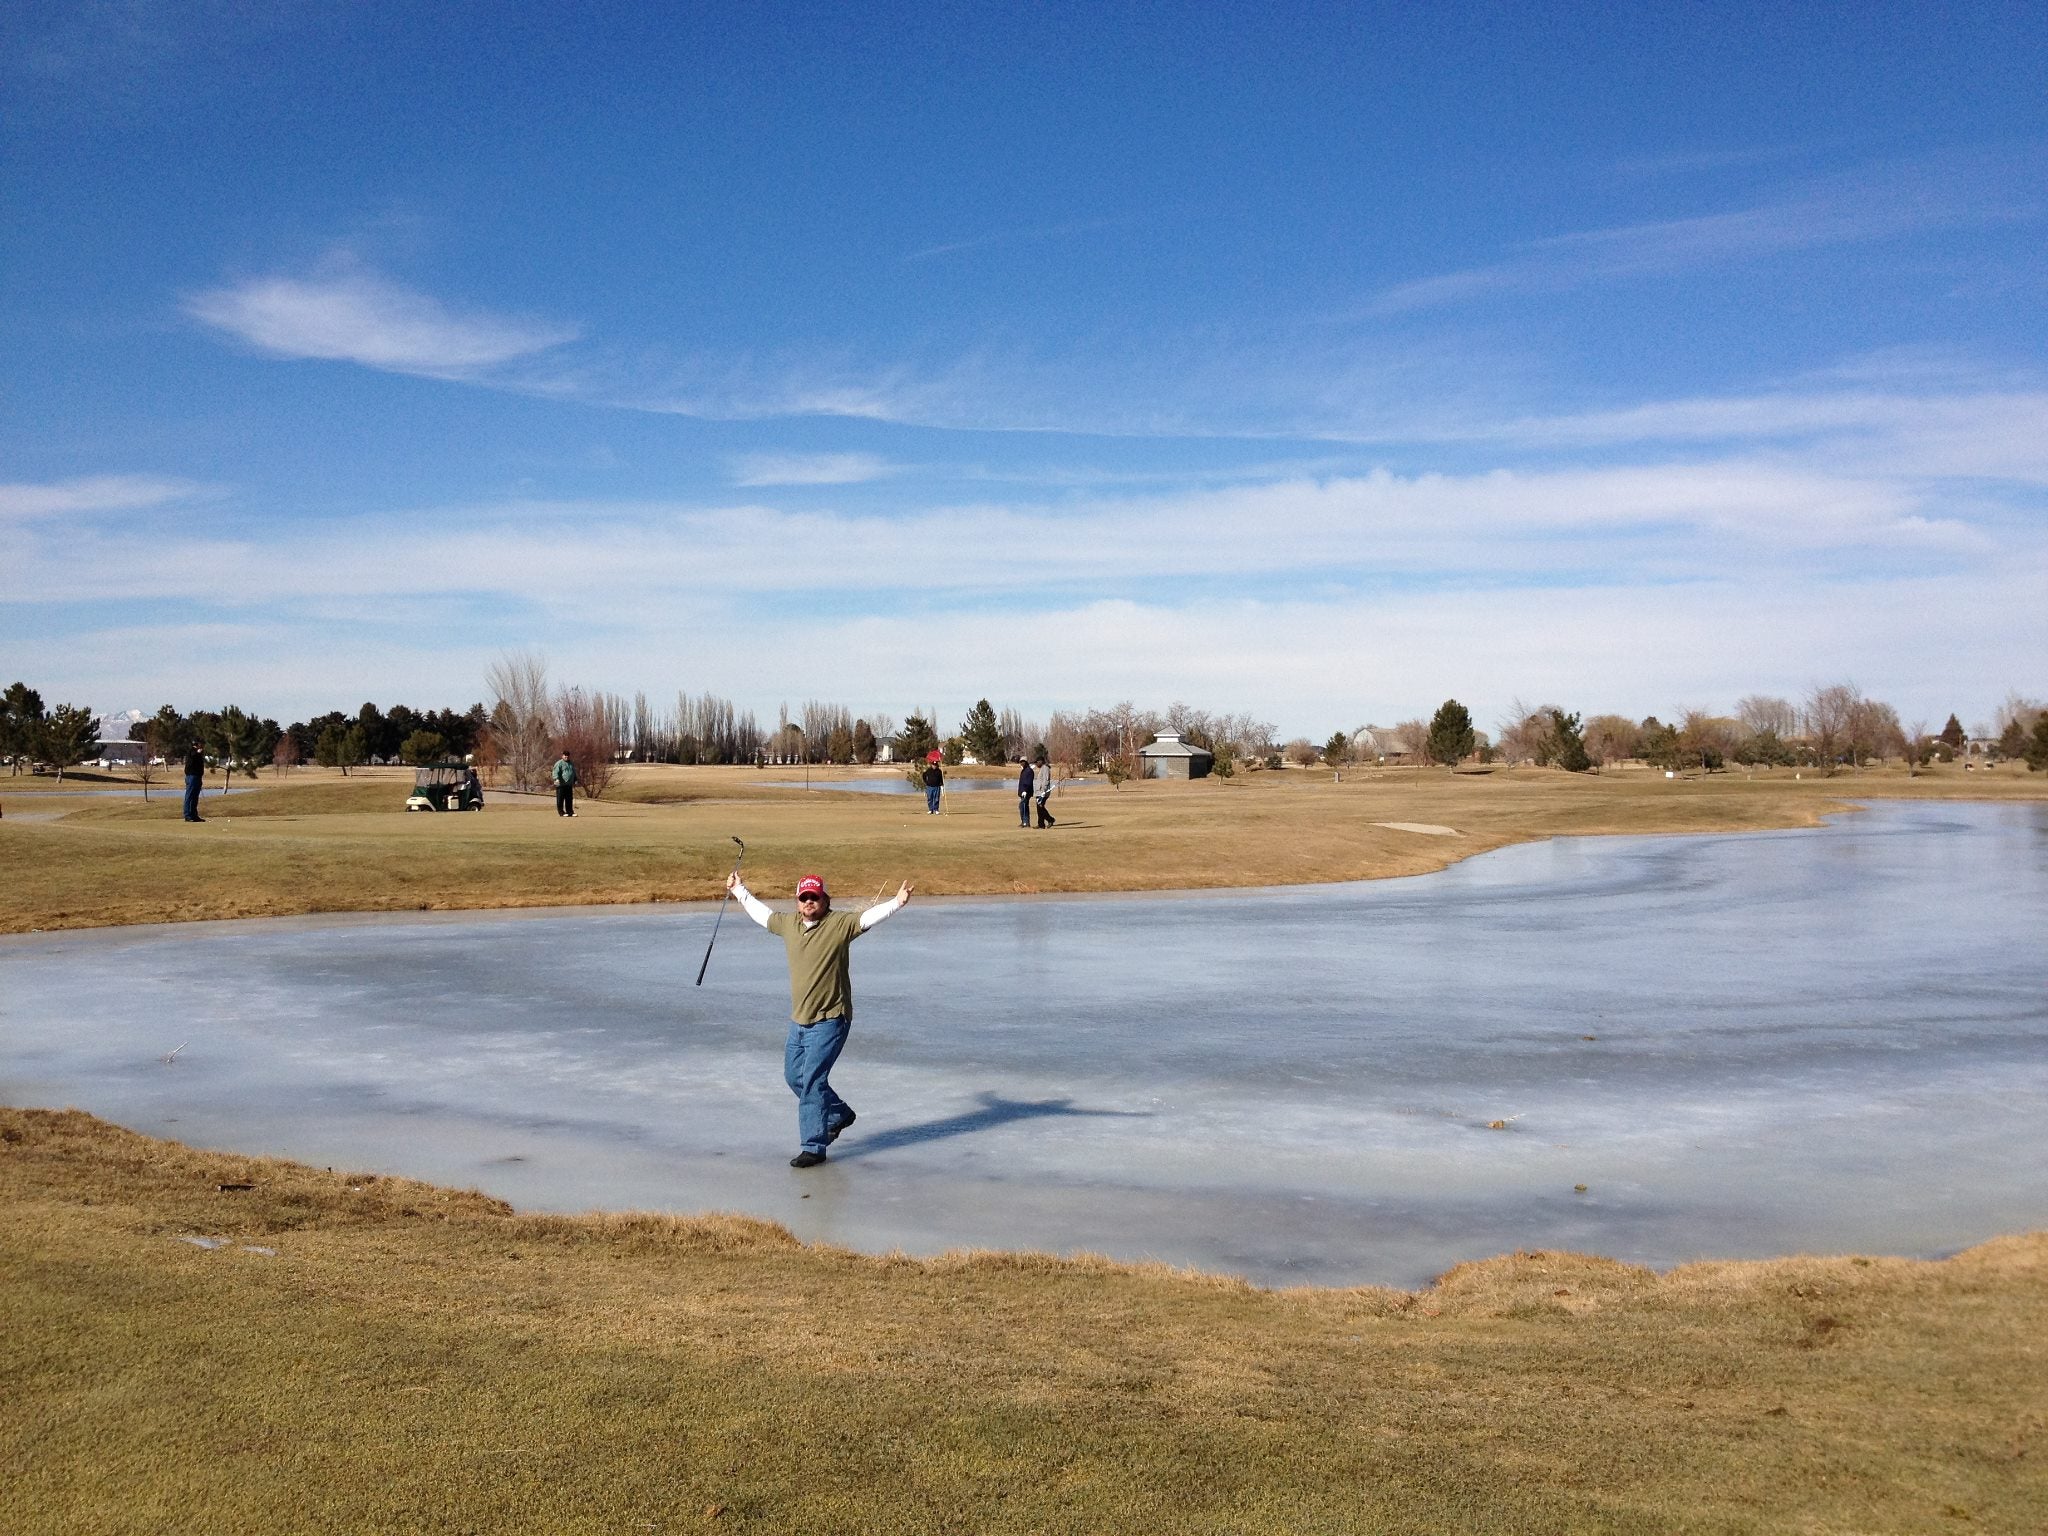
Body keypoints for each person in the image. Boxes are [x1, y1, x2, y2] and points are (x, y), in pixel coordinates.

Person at [728, 871, 914, 1167]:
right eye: (804, 897)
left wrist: (897, 902)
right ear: (797, 901)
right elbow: (762, 915)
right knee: (795, 1077)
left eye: (814, 897)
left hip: (831, 1019)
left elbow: (866, 918)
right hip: (799, 1020)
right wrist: (740, 890)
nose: (809, 902)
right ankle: (839, 1113)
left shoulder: (839, 924)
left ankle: (813, 1147)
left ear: (825, 899)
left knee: (813, 1080)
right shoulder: (788, 924)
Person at [181, 743, 206, 822]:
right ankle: (188, 815)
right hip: (192, 776)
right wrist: (198, 753)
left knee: (195, 797)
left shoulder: (197, 753)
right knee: (190, 796)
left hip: (197, 776)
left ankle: (194, 815)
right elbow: (193, 756)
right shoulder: (192, 751)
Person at [552, 751, 577, 816]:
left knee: (569, 799)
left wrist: (575, 779)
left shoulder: (571, 763)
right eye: (565, 756)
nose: (566, 757)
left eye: (567, 756)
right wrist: (556, 779)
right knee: (560, 799)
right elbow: (555, 772)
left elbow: (573, 772)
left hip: (569, 784)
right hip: (561, 784)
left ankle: (570, 812)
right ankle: (561, 812)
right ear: (562, 756)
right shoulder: (559, 763)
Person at [1034, 762, 1056, 828]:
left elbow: (1046, 781)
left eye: (1036, 762)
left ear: (1040, 761)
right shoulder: (1042, 768)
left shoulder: (1045, 768)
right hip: (1039, 792)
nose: (1036, 764)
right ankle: (1041, 824)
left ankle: (1050, 819)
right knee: (1039, 808)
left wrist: (1043, 791)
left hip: (1043, 792)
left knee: (1040, 807)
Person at [1016, 757, 1034, 827]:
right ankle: (1024, 821)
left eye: (1023, 762)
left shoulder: (1029, 771)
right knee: (1024, 806)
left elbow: (1028, 782)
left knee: (1022, 806)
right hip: (1022, 792)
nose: (1022, 763)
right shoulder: (1023, 770)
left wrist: (1025, 790)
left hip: (1026, 792)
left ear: (1026, 762)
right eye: (1021, 762)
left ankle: (1025, 822)